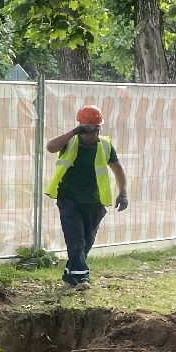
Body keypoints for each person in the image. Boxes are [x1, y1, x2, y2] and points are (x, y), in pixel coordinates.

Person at [45, 103, 128, 287]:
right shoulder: (70, 142)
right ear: (80, 127)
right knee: (76, 239)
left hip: (95, 202)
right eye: (87, 129)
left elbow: (118, 170)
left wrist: (123, 193)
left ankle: (70, 274)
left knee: (87, 241)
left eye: (95, 129)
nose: (91, 134)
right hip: (69, 199)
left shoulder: (105, 145)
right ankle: (81, 279)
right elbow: (50, 147)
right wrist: (74, 131)